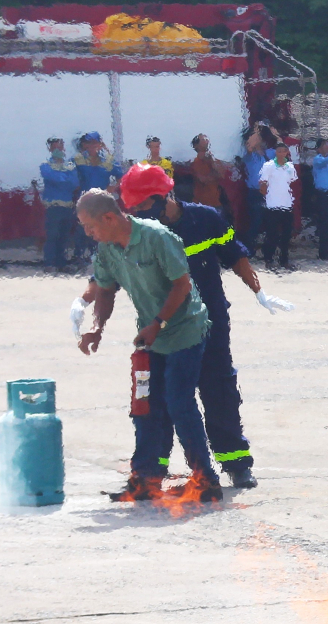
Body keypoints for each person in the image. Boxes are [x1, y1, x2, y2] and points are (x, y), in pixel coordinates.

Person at [121, 163, 279, 491]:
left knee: (218, 389)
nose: (139, 214)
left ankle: (236, 463)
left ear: (165, 196)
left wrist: (259, 291)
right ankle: (153, 470)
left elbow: (234, 255)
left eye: (143, 206)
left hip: (209, 323)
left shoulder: (205, 219)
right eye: (133, 209)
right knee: (159, 397)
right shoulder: (140, 233)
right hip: (162, 326)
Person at [73, 188, 222, 504]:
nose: (88, 233)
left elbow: (182, 285)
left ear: (110, 217)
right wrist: (96, 329)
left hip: (184, 330)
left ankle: (205, 480)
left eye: (90, 226)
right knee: (145, 406)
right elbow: (105, 289)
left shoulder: (156, 237)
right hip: (151, 336)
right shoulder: (108, 249)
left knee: (179, 403)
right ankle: (145, 479)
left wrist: (158, 323)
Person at [255, 141, 299, 270]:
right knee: (271, 234)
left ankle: (284, 260)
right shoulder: (268, 166)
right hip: (272, 205)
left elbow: (292, 182)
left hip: (286, 204)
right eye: (278, 151)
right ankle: (269, 259)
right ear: (276, 152)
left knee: (286, 235)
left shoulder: (290, 167)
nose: (281, 154)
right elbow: (262, 183)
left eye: (283, 151)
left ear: (286, 152)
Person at [40, 137, 80, 269]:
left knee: (64, 236)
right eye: (55, 147)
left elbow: (74, 183)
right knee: (52, 235)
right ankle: (49, 263)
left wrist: (62, 179)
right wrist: (64, 178)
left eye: (60, 146)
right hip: (53, 206)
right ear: (50, 149)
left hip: (67, 206)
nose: (58, 149)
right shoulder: (45, 165)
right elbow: (53, 178)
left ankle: (61, 263)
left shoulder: (70, 165)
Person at [73, 132, 113, 261]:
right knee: (82, 228)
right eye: (88, 143)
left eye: (94, 143)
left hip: (101, 200)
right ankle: (79, 256)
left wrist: (112, 188)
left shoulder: (108, 160)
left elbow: (121, 176)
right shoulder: (78, 159)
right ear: (84, 145)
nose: (91, 146)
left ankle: (99, 256)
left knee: (100, 227)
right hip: (84, 200)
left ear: (99, 144)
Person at [306, 133, 328, 259]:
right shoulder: (318, 160)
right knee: (325, 223)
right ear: (319, 149)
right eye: (325, 145)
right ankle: (323, 252)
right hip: (323, 196)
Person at [240, 125, 273, 251]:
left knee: (269, 222)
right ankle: (249, 249)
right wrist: (254, 135)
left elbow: (283, 152)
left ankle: (267, 250)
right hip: (255, 192)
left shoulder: (267, 154)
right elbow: (249, 149)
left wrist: (276, 136)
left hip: (268, 192)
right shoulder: (250, 155)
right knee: (255, 221)